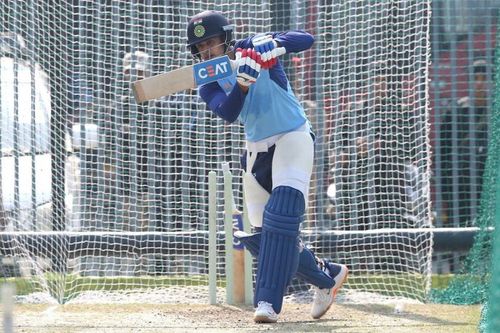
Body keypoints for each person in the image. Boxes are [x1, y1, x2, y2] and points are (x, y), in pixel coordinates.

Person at [185, 10, 348, 323]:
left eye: (213, 43)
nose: (207, 51)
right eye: (201, 48)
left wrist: (274, 45)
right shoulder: (207, 80)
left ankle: (267, 303)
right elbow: (228, 112)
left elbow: (306, 38)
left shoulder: (252, 47)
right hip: (256, 152)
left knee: (281, 218)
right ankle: (327, 275)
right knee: (263, 238)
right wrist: (242, 85)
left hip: (293, 135)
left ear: (226, 38)